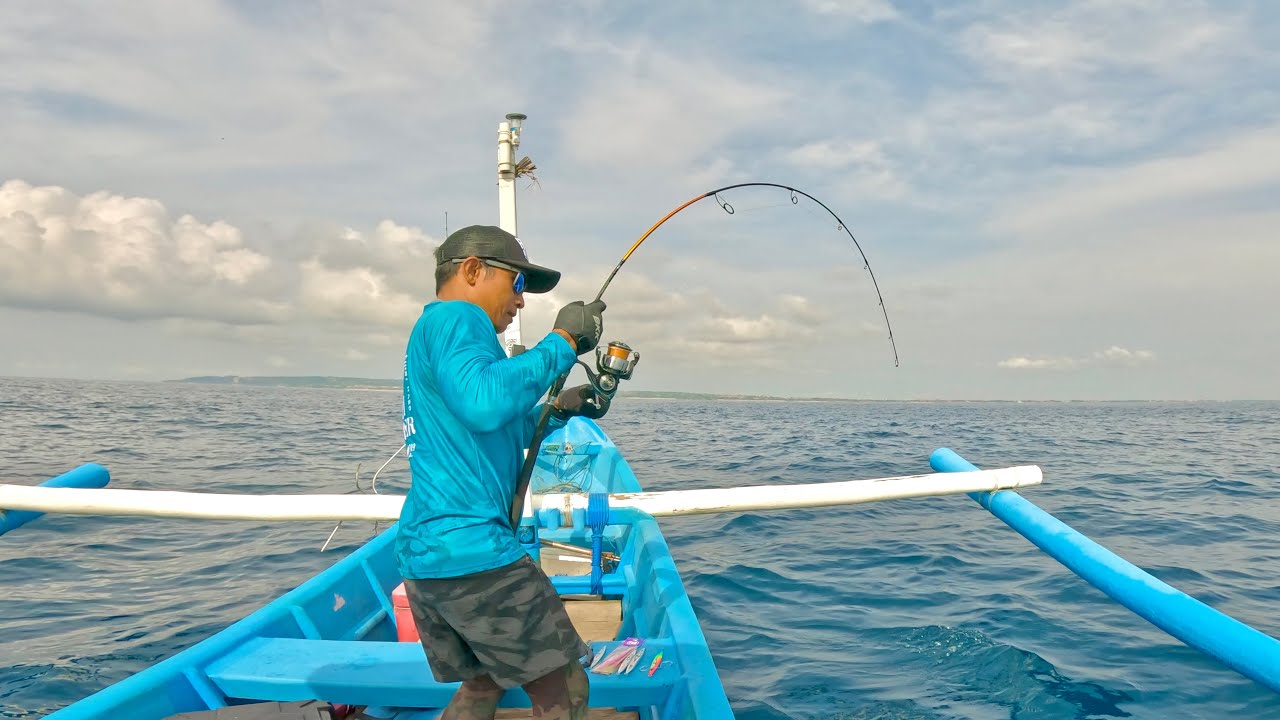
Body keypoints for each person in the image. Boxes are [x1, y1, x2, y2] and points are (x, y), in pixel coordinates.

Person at [397, 224, 609, 720]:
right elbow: (485, 403)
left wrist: (562, 410)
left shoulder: (437, 335)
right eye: (517, 284)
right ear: (473, 270)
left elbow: (489, 429)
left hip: (427, 560)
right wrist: (563, 341)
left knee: (483, 684)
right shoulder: (457, 319)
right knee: (567, 689)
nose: (520, 302)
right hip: (474, 556)